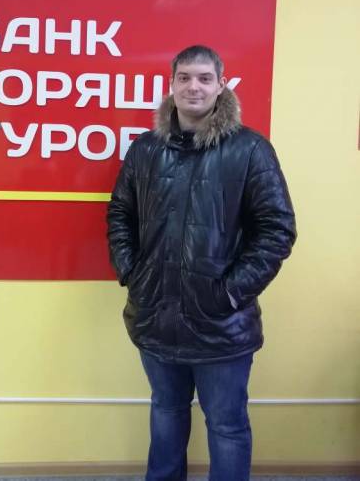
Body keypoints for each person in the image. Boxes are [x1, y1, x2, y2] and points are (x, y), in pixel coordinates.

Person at [107, 45, 296, 481]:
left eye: (205, 78)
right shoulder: (145, 149)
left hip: (222, 326)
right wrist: (133, 274)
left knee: (227, 426)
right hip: (155, 316)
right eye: (185, 77)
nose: (194, 86)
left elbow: (277, 230)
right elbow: (120, 213)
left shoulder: (250, 150)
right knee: (166, 413)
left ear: (221, 85)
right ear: (172, 85)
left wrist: (228, 293)